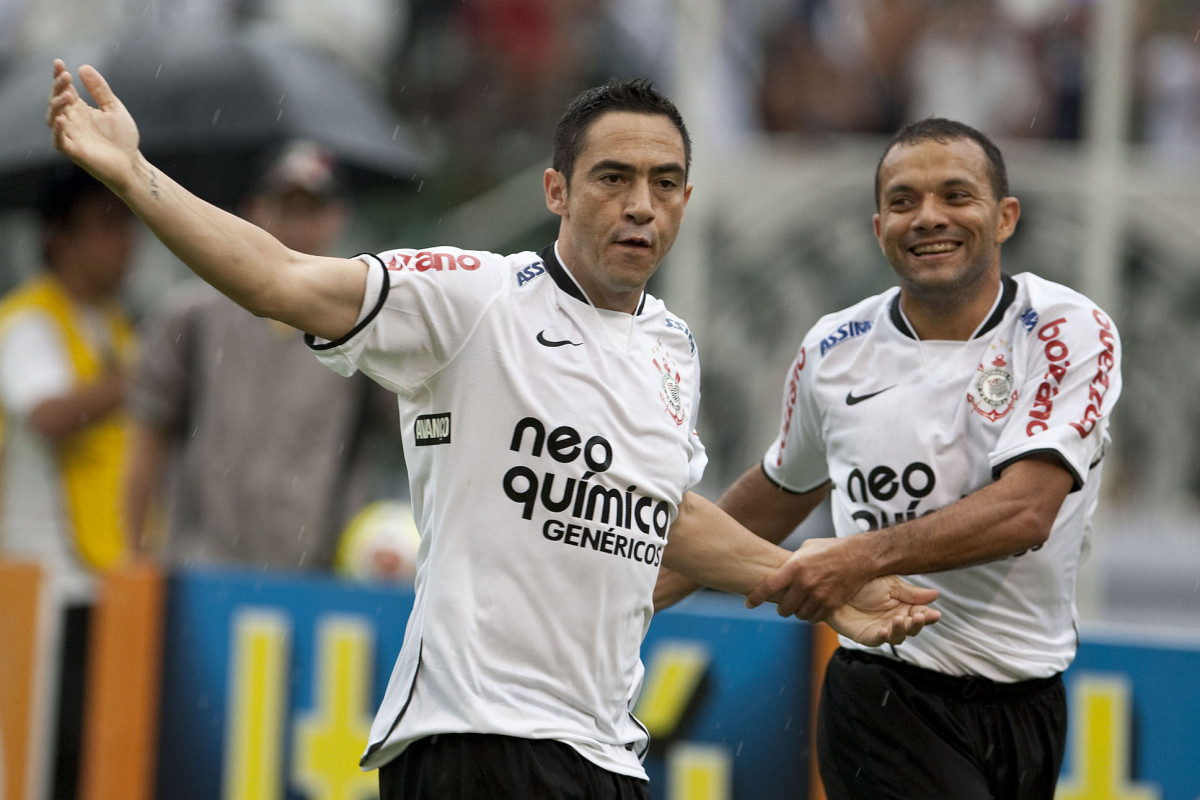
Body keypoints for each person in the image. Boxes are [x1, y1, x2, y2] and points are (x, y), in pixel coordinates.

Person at [48, 62, 941, 799]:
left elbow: (659, 513)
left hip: (606, 751)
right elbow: (281, 279)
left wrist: (807, 579)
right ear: (555, 188)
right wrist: (134, 176)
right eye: (613, 178)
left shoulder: (672, 347)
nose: (641, 205)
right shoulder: (474, 297)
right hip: (474, 742)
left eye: (664, 184)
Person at [659, 117, 1122, 799]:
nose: (928, 217)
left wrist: (857, 557)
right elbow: (780, 491)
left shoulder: (1065, 329)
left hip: (1032, 703)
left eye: (956, 196)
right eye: (903, 202)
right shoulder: (835, 348)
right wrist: (636, 593)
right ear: (879, 229)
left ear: (1004, 218)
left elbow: (1027, 511)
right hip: (887, 695)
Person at [123, 140, 402, 570]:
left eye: (312, 210)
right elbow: (148, 438)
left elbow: (416, 425)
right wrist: (135, 555)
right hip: (198, 569)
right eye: (285, 207)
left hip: (314, 577)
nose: (297, 225)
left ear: (337, 218)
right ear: (253, 211)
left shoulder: (365, 323)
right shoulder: (192, 316)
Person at [0, 166, 136, 800]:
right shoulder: (28, 320)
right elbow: (47, 412)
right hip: (44, 584)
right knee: (44, 758)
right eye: (107, 223)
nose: (126, 240)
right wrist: (132, 385)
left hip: (104, 575)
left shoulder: (113, 325)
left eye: (127, 223)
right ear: (58, 236)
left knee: (90, 760)